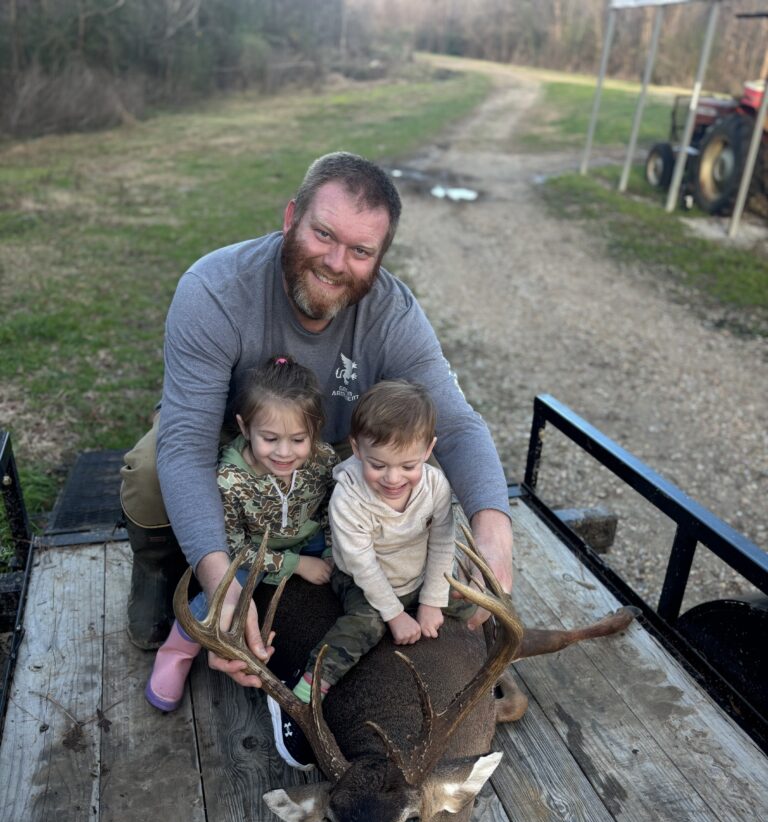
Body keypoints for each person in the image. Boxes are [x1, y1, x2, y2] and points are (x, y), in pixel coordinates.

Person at [120, 151, 514, 687]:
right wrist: (221, 583)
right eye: (323, 234)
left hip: (326, 452)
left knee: (402, 486)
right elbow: (187, 447)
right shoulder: (214, 288)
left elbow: (460, 427)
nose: (335, 261)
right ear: (290, 219)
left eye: (360, 250)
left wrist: (495, 532)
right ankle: (159, 567)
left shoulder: (393, 314)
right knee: (149, 471)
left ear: (379, 259)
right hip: (228, 434)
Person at [269, 380, 474, 770]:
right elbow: (362, 563)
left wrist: (432, 600)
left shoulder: (436, 487)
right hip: (363, 579)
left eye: (408, 466)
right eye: (377, 464)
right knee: (364, 627)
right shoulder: (349, 496)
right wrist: (395, 614)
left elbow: (443, 543)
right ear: (358, 448)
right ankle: (302, 693)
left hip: (415, 574)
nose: (393, 478)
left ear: (429, 450)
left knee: (471, 606)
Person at [144, 356, 337, 711]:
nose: (284, 452)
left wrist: (327, 552)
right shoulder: (229, 480)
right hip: (252, 552)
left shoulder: (321, 460)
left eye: (298, 439)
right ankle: (175, 654)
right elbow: (232, 548)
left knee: (348, 564)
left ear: (315, 431)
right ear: (244, 427)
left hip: (307, 536)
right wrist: (295, 564)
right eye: (270, 438)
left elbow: (327, 509)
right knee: (213, 602)